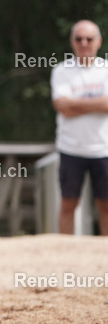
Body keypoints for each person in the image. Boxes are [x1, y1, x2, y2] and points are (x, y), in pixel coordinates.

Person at [51, 19, 108, 235]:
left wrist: (75, 104)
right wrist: (98, 104)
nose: (84, 43)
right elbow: (62, 107)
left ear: (99, 41)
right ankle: (65, 254)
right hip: (70, 149)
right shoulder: (62, 70)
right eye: (78, 38)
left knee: (106, 205)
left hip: (104, 149)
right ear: (72, 42)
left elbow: (107, 104)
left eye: (89, 38)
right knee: (68, 204)